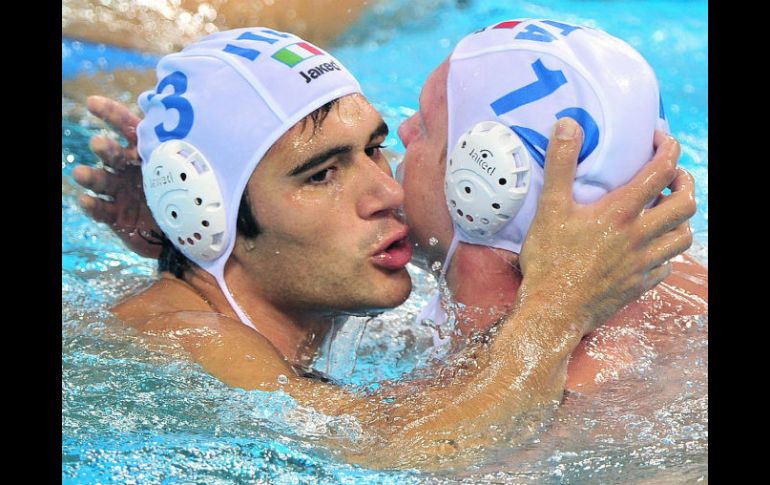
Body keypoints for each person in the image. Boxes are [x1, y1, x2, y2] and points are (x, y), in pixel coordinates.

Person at [69, 25, 694, 468]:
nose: (387, 192)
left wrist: (180, 246)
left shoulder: (308, 312)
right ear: (202, 214)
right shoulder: (184, 341)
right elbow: (414, 452)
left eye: (374, 147)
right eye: (321, 174)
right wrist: (560, 303)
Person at [394, 19, 707, 391]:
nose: (404, 132)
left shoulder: (562, 409)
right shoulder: (686, 293)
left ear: (481, 185)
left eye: (425, 126)